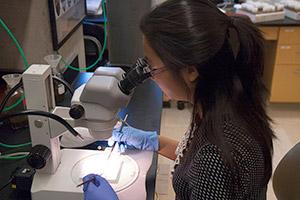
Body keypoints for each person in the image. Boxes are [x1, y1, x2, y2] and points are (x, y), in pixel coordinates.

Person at [83, 0, 275, 199]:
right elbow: (193, 161)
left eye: (152, 67)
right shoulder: (226, 108)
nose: (149, 75)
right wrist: (152, 141)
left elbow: (205, 165)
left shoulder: (215, 158)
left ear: (191, 71)